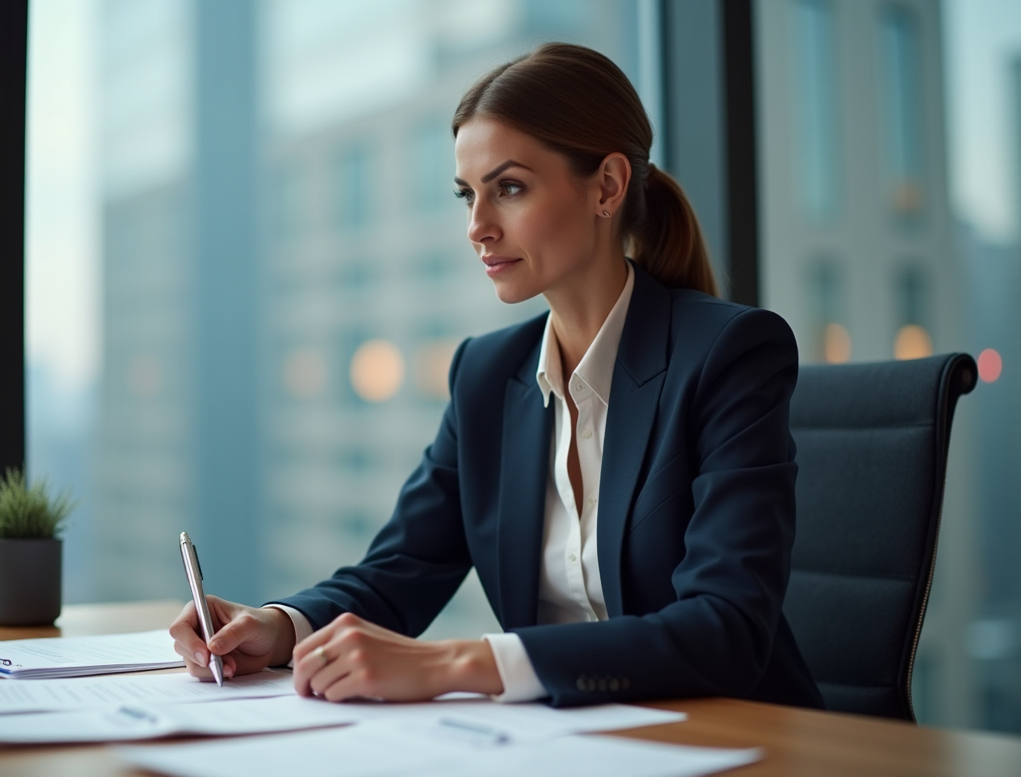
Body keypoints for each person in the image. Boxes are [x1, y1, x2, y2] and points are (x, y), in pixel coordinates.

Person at [170, 42, 824, 709]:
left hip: (735, 737)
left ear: (606, 186)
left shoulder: (728, 354)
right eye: (467, 195)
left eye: (508, 188)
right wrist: (278, 628)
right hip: (566, 742)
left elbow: (728, 629)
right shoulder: (487, 374)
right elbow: (401, 570)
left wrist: (461, 663)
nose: (478, 227)